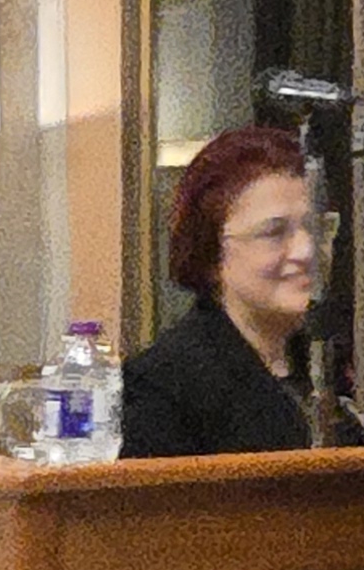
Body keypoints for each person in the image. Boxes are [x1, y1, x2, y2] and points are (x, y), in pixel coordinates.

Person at [122, 124, 332, 456]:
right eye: (274, 232)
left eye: (315, 227)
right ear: (212, 254)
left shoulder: (325, 366)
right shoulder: (160, 388)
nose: (306, 251)